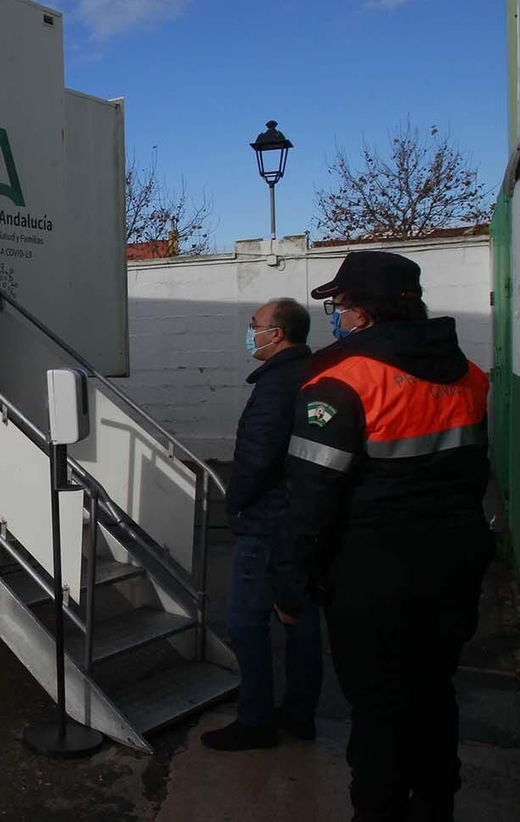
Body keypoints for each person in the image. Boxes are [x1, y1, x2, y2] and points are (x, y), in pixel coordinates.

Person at [272, 251, 493, 821]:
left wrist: (290, 581)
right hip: (455, 569)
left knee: (378, 712)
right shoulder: (467, 374)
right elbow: (473, 474)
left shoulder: (342, 380)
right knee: (433, 692)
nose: (335, 316)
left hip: (374, 579)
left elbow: (310, 498)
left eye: (339, 305)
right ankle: (436, 803)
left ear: (364, 314)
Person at [202, 298, 322, 751]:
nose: (250, 332)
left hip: (268, 522)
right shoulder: (309, 373)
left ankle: (255, 720)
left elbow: (258, 455)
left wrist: (235, 504)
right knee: (300, 616)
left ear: (278, 333)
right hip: (301, 517)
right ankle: (298, 713)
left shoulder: (277, 384)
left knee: (247, 621)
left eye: (255, 325)